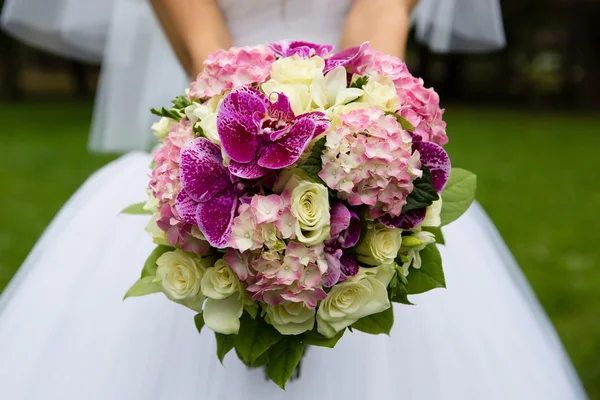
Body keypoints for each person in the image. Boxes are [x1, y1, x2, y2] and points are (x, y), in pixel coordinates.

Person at [0, 0, 587, 399]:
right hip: (218, 118)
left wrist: (365, 140)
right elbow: (200, 38)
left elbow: (380, 12)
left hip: (350, 125)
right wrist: (230, 129)